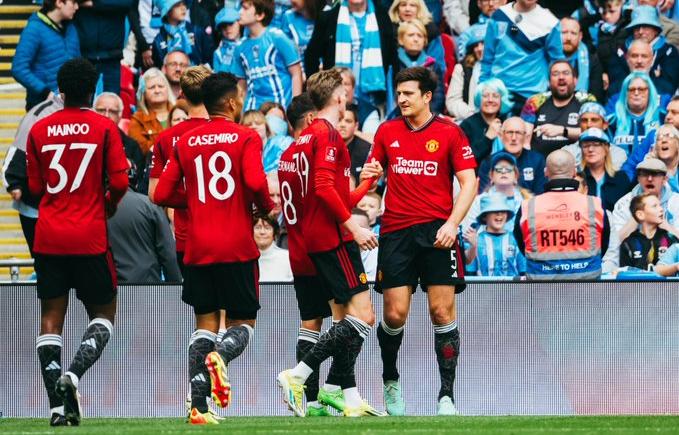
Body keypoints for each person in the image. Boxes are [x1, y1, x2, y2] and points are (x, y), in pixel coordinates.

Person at [154, 72, 275, 425]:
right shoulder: (246, 136)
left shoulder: (187, 141)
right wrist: (267, 207)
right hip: (236, 244)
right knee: (243, 322)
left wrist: (192, 197)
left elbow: (161, 194)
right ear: (233, 102)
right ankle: (220, 357)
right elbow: (254, 181)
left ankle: (198, 406)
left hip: (198, 246)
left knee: (204, 324)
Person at [367, 67, 477, 416]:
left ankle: (446, 395)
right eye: (398, 93)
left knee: (441, 311)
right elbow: (370, 178)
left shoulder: (449, 131)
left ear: (427, 96)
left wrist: (452, 224)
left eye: (408, 94)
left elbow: (470, 182)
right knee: (395, 314)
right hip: (396, 231)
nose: (401, 99)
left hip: (437, 233)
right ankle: (390, 380)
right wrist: (368, 176)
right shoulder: (387, 131)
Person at [26, 58, 129, 426]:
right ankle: (73, 375)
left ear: (63, 91)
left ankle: (56, 408)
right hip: (89, 237)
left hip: (49, 236)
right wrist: (107, 204)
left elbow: (35, 188)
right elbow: (119, 183)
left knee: (51, 319)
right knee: (104, 314)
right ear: (92, 91)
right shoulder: (103, 128)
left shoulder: (39, 129)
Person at [276, 68, 384, 418]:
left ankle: (346, 396)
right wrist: (353, 227)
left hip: (312, 238)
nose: (348, 95)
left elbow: (331, 194)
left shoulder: (300, 142)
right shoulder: (328, 135)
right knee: (363, 317)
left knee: (342, 318)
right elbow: (323, 189)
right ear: (338, 97)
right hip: (333, 237)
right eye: (345, 90)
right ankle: (300, 374)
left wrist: (365, 184)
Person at [148, 66, 210, 273]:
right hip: (227, 237)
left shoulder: (166, 138)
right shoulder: (229, 133)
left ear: (181, 95)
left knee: (201, 305)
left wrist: (190, 199)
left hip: (187, 238)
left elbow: (154, 193)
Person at [514, 150, 610, 279]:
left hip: (541, 287)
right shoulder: (595, 205)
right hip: (587, 287)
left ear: (546, 172)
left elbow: (522, 244)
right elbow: (603, 244)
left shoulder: (528, 207)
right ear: (574, 172)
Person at [304, 0, 397, 114]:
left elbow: (392, 56)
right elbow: (311, 56)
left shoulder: (381, 16)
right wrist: (317, 90)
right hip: (335, 94)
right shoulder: (328, 17)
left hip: (373, 93)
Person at [3, 94, 63, 257]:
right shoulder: (40, 114)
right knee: (47, 265)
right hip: (37, 207)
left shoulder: (91, 115)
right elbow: (19, 151)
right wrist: (14, 181)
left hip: (71, 207)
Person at [480, 0, 564, 114]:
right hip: (498, 94)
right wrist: (482, 88)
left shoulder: (550, 22)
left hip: (532, 98)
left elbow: (558, 64)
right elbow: (487, 58)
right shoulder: (499, 15)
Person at [231, 0, 303, 110]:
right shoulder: (239, 47)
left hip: (280, 109)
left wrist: (295, 111)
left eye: (245, 8)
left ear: (260, 15)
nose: (240, 12)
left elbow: (296, 74)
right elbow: (242, 86)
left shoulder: (278, 38)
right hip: (253, 112)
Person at [11, 0, 80, 111]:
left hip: (70, 105)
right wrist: (46, 93)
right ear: (59, 3)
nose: (77, 7)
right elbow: (19, 68)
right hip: (42, 106)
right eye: (73, 2)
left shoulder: (71, 28)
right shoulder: (34, 29)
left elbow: (78, 63)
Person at [520, 60, 595, 158]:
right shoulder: (535, 101)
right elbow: (525, 139)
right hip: (541, 165)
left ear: (575, 80)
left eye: (566, 73)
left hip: (576, 165)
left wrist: (562, 131)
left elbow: (594, 133)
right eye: (555, 74)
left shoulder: (587, 101)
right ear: (548, 82)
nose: (561, 77)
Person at [107, 186, 181, 283]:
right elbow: (168, 255)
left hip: (107, 288)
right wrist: (175, 288)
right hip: (146, 287)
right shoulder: (149, 206)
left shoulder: (94, 210)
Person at [607, 6, 679, 97]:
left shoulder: (669, 52)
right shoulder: (620, 52)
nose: (640, 31)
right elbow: (615, 88)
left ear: (656, 30)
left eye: (645, 27)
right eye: (636, 28)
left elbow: (669, 88)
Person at [461, 151, 530, 233]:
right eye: (499, 169)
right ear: (491, 176)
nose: (504, 172)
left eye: (508, 169)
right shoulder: (478, 202)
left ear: (516, 176)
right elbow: (467, 234)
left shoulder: (527, 203)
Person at [612, 158, 679, 242]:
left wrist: (665, 226)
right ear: (638, 179)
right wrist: (636, 217)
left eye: (655, 174)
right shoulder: (624, 203)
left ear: (665, 179)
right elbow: (613, 244)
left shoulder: (676, 202)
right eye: (644, 174)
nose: (649, 179)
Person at [73, 0, 131, 94]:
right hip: (83, 56)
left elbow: (127, 3)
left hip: (111, 57)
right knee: (81, 103)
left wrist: (94, 3)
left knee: (111, 103)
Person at [478, 117, 547, 194]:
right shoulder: (489, 163)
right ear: (501, 136)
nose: (514, 138)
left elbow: (540, 196)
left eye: (518, 133)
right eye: (510, 132)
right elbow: (484, 197)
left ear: (525, 137)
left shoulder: (537, 160)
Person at [93, 93, 146, 192]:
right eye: (101, 110)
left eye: (112, 111)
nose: (106, 115)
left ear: (120, 115)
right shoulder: (82, 139)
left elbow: (138, 179)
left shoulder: (132, 146)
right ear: (93, 111)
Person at [464, 194, 526, 276]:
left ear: (507, 215)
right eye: (494, 211)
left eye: (503, 211)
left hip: (513, 288)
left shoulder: (516, 239)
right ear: (484, 216)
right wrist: (472, 246)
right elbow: (470, 273)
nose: (499, 214)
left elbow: (523, 272)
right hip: (483, 288)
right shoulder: (475, 240)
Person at [621, 96, 679, 182]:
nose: (668, 116)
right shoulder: (654, 136)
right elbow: (630, 166)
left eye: (674, 113)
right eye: (667, 112)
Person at [395, 19, 445, 113]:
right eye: (411, 35)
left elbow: (438, 96)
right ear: (401, 39)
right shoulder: (394, 63)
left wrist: (427, 115)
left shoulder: (433, 65)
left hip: (427, 115)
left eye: (420, 36)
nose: (416, 39)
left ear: (425, 41)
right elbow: (392, 95)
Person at [619, 192, 679, 270]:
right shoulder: (628, 244)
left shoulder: (671, 239)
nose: (661, 209)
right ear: (640, 215)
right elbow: (624, 274)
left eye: (660, 205)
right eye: (654, 206)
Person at [459, 78, 511, 164]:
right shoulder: (467, 125)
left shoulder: (508, 121)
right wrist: (488, 138)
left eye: (495, 96)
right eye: (485, 96)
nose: (490, 100)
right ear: (479, 99)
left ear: (502, 100)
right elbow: (463, 159)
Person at [578, 128, 632, 212]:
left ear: (606, 148)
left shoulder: (621, 178)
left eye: (596, 145)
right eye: (585, 146)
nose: (590, 149)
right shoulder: (577, 179)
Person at [562, 102, 628, 170]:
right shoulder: (567, 152)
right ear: (579, 124)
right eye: (584, 120)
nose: (589, 125)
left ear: (605, 125)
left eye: (594, 120)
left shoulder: (617, 153)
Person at [608, 72, 661, 156]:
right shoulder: (612, 121)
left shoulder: (662, 117)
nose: (636, 93)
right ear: (625, 93)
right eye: (632, 89)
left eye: (641, 89)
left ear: (649, 92)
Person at [151, 0, 213, 68]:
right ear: (167, 11)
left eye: (184, 4)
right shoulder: (159, 40)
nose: (183, 8)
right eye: (177, 5)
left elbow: (208, 60)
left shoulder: (197, 32)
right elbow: (160, 68)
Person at [129, 67, 176, 156]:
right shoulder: (137, 119)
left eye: (160, 86)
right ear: (144, 93)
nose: (157, 91)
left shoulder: (181, 112)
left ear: (168, 89)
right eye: (151, 88)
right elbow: (141, 150)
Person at [446, 23, 486, 121]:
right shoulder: (462, 68)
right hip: (469, 119)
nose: (480, 48)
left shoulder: (503, 68)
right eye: (476, 45)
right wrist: (472, 115)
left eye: (484, 43)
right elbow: (452, 101)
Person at [560, 17, 605, 103]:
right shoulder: (547, 57)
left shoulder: (592, 61)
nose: (568, 38)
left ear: (580, 36)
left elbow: (596, 98)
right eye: (564, 32)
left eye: (573, 33)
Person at [338, 103, 373, 183]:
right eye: (339, 120)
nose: (343, 125)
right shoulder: (324, 146)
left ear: (356, 126)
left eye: (348, 121)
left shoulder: (367, 150)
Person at [254, 213, 293, 282]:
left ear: (274, 233)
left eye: (267, 228)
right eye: (258, 227)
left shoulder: (287, 258)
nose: (262, 232)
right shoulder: (245, 261)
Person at [279, 0, 316, 69]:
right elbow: (285, 52)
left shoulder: (326, 13)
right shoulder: (288, 16)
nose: (291, 1)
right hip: (301, 71)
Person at [649, 124, 679, 193]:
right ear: (655, 148)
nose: (664, 140)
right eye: (659, 138)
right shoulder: (649, 171)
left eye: (669, 136)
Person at [213, 7, 242, 73]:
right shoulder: (218, 53)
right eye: (223, 26)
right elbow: (219, 78)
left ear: (239, 22)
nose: (227, 29)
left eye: (231, 24)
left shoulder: (248, 43)